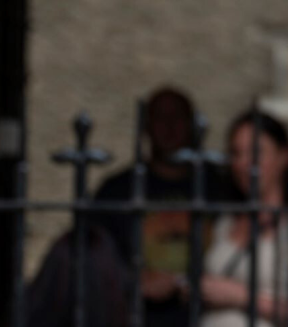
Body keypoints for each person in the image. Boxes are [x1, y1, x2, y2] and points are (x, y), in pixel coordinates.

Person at [89, 86, 227, 327]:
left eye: (178, 117)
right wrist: (132, 279)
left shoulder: (220, 187)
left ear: (192, 124)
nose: (169, 126)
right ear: (146, 126)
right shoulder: (118, 190)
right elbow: (91, 253)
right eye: (160, 117)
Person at [199, 111, 288, 327]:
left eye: (256, 152)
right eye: (236, 153)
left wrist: (240, 296)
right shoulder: (225, 221)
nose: (244, 163)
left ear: (284, 156)